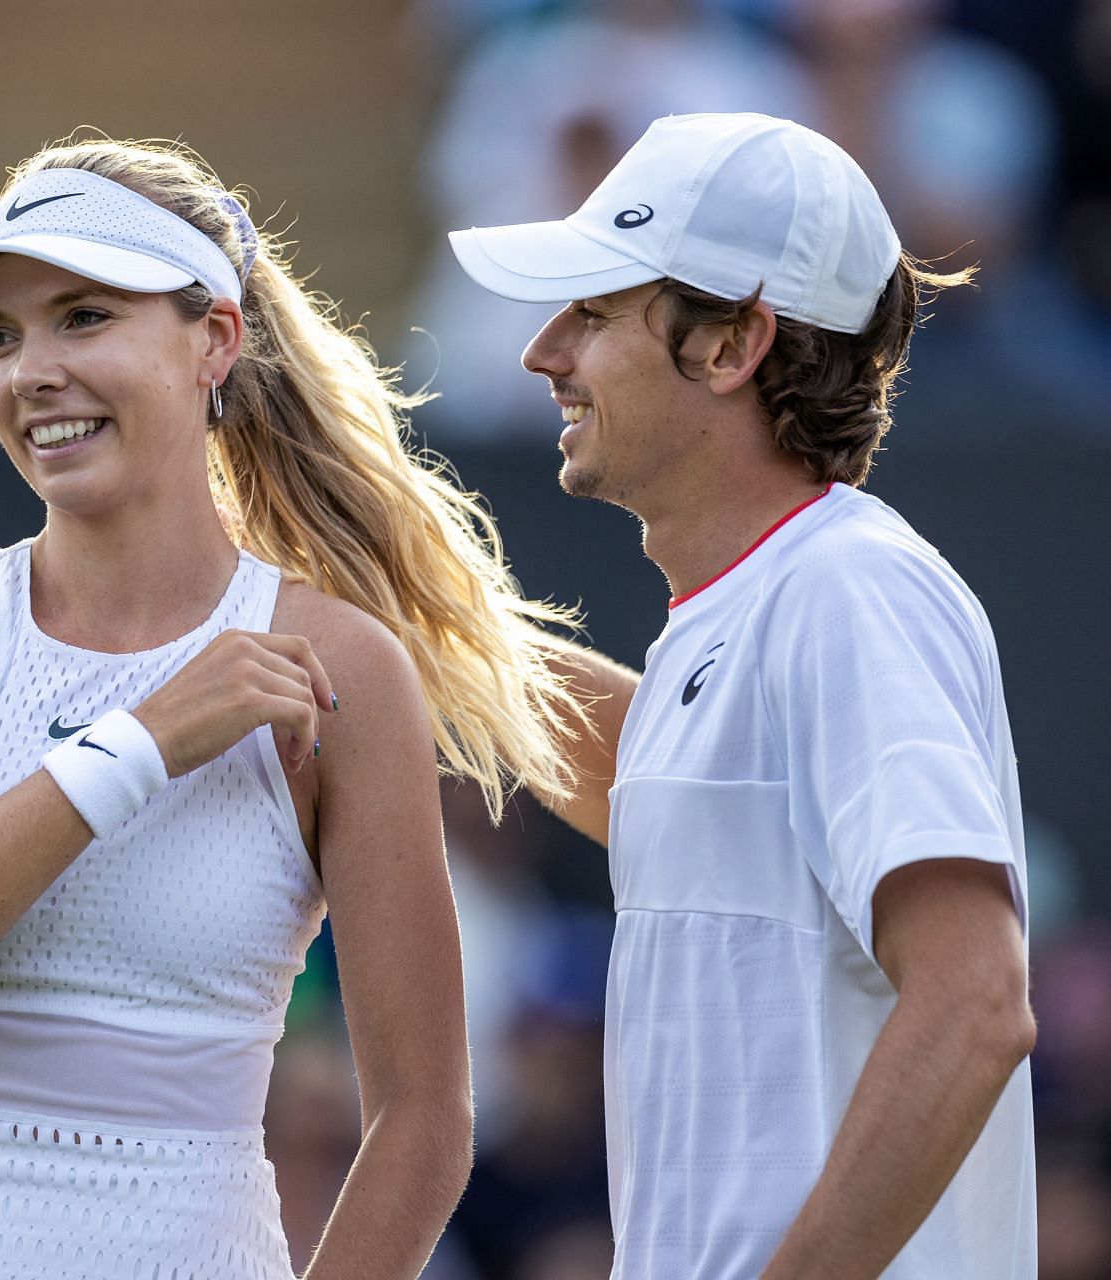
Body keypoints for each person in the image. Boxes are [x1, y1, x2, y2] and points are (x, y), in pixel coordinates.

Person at [0, 133, 584, 1279]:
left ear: (215, 340)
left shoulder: (342, 661)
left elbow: (425, 1120)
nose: (29, 370)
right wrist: (134, 747)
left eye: (83, 316)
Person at [448, 112, 1037, 1279]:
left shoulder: (845, 587)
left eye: (597, 313)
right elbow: (674, 797)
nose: (543, 352)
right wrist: (419, 623)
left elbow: (976, 1000)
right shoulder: (761, 603)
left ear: (731, 346)